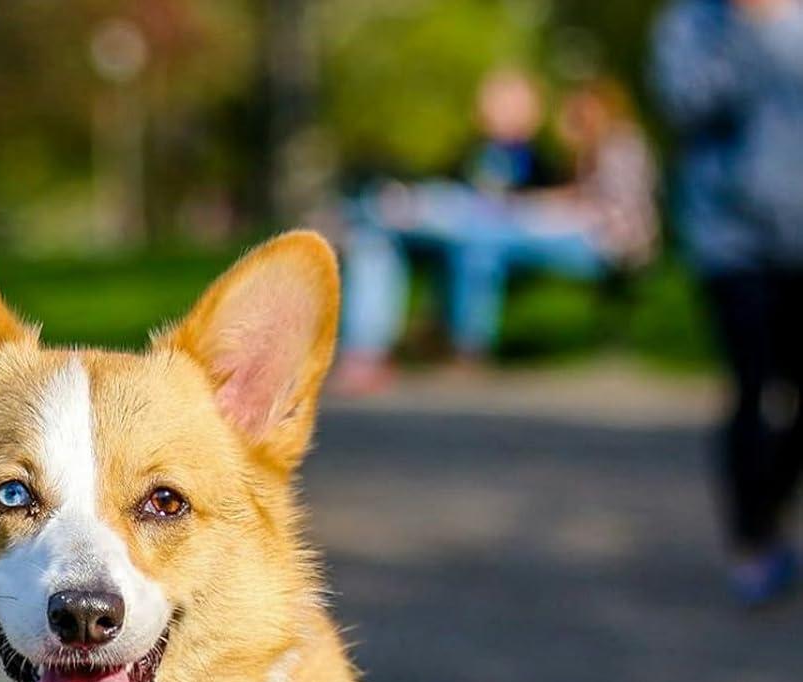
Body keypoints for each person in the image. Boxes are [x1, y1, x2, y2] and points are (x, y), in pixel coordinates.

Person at [336, 71, 658, 394]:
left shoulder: (608, 147)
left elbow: (606, 214)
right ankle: (375, 350)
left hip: (605, 245)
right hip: (476, 229)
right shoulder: (477, 150)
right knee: (382, 237)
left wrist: (540, 206)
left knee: (478, 239)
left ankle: (456, 344)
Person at [653, 0, 803, 606]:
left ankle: (767, 512)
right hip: (731, 241)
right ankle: (752, 543)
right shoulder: (692, 23)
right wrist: (749, 31)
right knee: (752, 386)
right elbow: (687, 102)